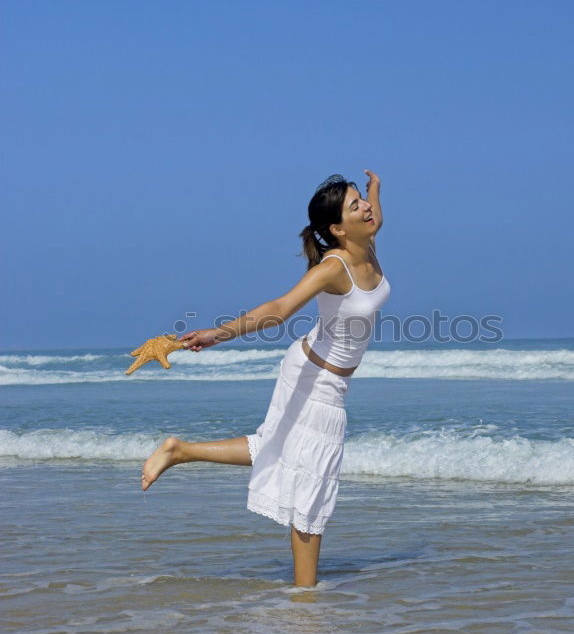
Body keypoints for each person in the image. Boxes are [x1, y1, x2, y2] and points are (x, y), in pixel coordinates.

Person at [140, 170, 390, 587]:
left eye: (361, 201)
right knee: (313, 486)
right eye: (355, 205)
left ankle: (179, 450)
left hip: (329, 377)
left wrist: (374, 190)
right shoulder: (334, 267)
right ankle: (305, 600)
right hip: (314, 378)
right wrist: (217, 334)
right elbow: (279, 307)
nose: (365, 209)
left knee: (273, 448)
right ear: (336, 229)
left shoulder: (367, 238)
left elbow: (377, 217)